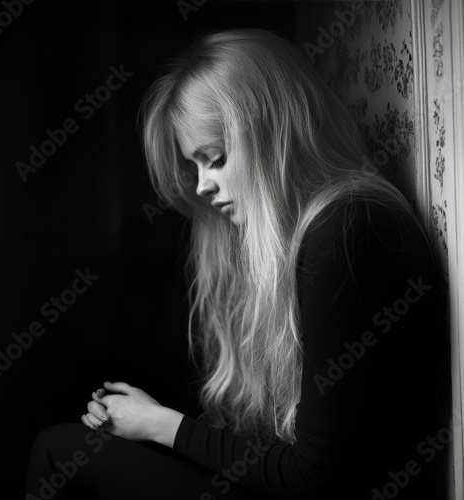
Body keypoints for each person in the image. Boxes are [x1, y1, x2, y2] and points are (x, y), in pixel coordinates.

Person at [25, 28, 445, 499]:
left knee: (56, 450)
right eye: (196, 166)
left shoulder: (348, 227)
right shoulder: (327, 227)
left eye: (216, 159)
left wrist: (160, 425)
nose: (201, 186)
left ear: (271, 136)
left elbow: (314, 474)